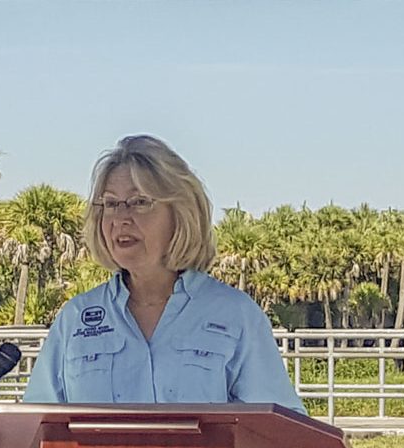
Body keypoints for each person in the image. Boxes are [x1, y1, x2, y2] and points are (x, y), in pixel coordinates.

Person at [23, 134, 306, 415]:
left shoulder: (236, 315)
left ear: (180, 213)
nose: (121, 218)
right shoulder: (75, 319)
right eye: (110, 204)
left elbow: (284, 437)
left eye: (139, 202)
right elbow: (32, 434)